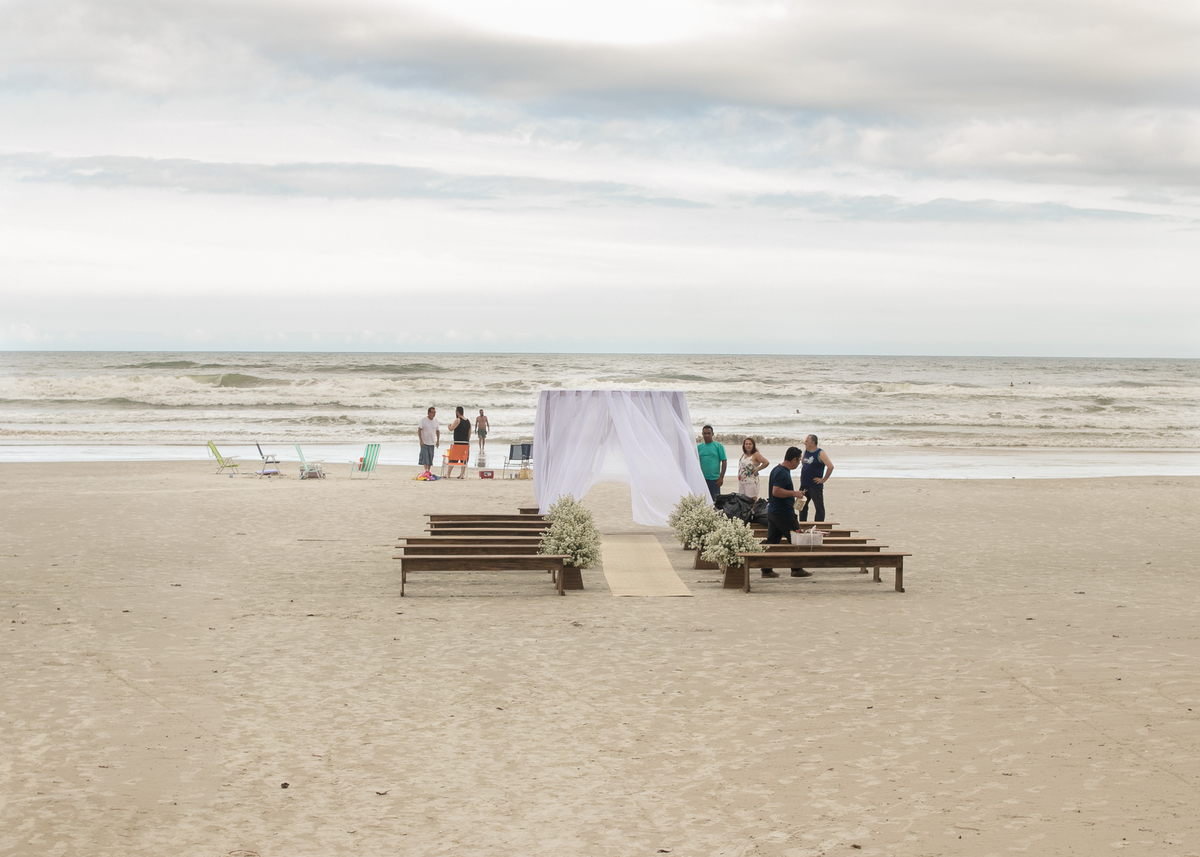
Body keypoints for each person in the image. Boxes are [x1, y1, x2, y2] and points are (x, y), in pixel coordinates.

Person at [760, 447, 809, 579]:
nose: (798, 463)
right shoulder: (782, 473)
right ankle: (796, 568)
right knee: (797, 540)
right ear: (793, 460)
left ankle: (766, 569)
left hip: (774, 511)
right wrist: (795, 493)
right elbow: (776, 491)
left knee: (772, 541)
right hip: (783, 513)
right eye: (798, 460)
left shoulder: (777, 469)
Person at [798, 434, 834, 522]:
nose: (804, 443)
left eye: (806, 441)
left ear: (812, 442)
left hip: (815, 485)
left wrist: (823, 479)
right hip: (804, 484)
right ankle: (803, 524)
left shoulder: (820, 453)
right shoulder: (806, 451)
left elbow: (830, 466)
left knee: (819, 507)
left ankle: (818, 526)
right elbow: (803, 462)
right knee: (801, 506)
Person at [696, 425, 726, 500]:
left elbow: (724, 461)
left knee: (715, 502)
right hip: (702, 479)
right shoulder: (699, 447)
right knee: (703, 501)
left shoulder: (718, 446)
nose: (706, 435)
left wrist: (721, 477)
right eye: (705, 433)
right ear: (702, 434)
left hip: (714, 480)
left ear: (712, 434)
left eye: (709, 433)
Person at [447, 406, 471, 479]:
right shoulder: (468, 421)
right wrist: (467, 440)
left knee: (453, 459)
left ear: (457, 412)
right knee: (464, 459)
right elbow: (469, 433)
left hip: (458, 442)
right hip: (465, 443)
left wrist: (449, 426)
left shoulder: (458, 420)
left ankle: (448, 474)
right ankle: (462, 474)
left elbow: (451, 429)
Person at [417, 406, 439, 472]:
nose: (434, 414)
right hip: (424, 442)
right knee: (425, 458)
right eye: (432, 412)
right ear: (428, 413)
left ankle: (428, 471)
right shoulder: (423, 420)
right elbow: (419, 430)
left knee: (430, 458)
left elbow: (437, 431)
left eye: (435, 412)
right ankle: (426, 470)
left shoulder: (435, 421)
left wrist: (437, 441)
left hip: (432, 442)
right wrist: (421, 440)